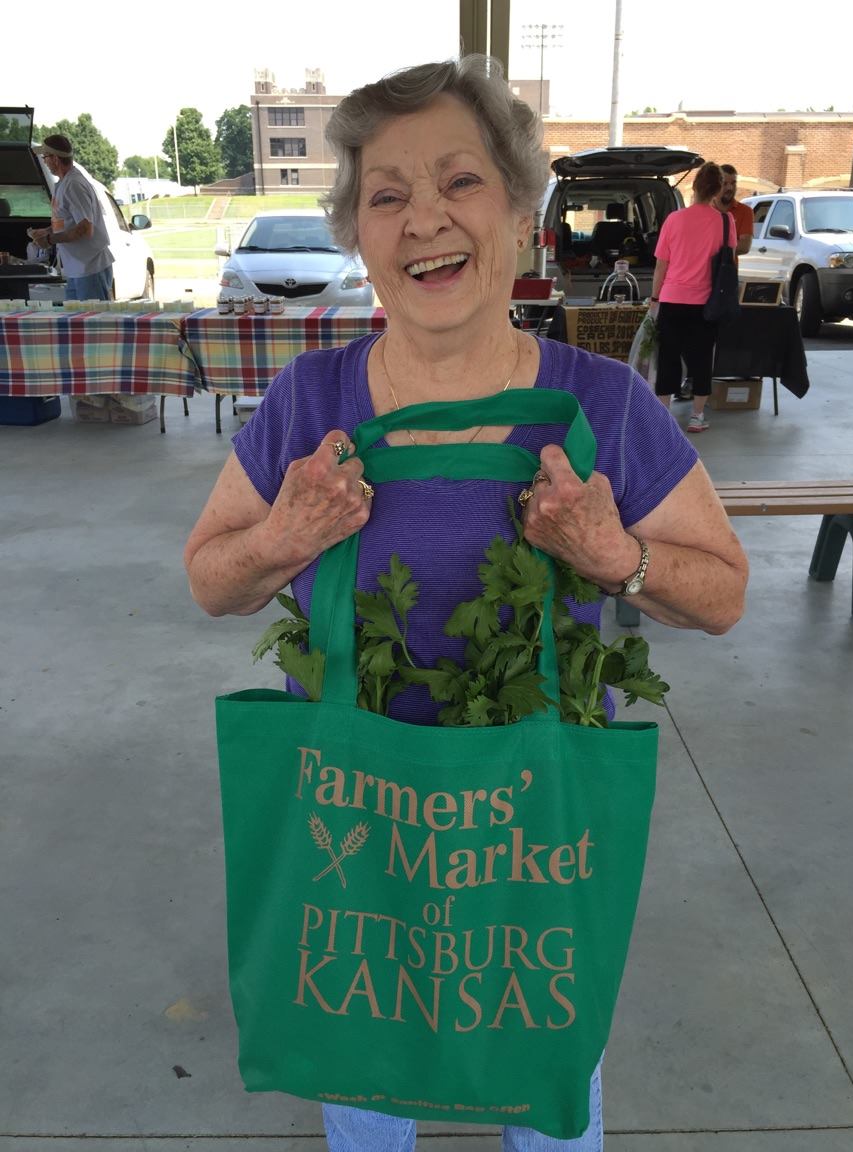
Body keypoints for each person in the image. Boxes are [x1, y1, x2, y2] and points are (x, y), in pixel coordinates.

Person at [184, 56, 748, 1152]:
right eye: (386, 196)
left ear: (522, 208)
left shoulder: (601, 405)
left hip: (530, 837)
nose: (424, 220)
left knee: (545, 1091)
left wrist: (612, 552)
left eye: (460, 182)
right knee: (365, 1086)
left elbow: (721, 594)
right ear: (357, 231)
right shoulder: (311, 401)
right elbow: (210, 578)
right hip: (352, 829)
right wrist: (284, 537)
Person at [649, 161, 738, 433]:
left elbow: (661, 265)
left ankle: (663, 414)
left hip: (672, 299)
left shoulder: (674, 220)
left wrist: (654, 298)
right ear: (716, 190)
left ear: (695, 188)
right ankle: (697, 416)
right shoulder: (726, 221)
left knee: (669, 357)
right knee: (701, 358)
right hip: (706, 303)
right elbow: (730, 260)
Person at [28, 134, 114, 301]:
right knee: (77, 324)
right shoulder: (65, 183)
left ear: (55, 159)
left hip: (89, 267)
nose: (44, 161)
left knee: (91, 323)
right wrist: (46, 231)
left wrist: (50, 239)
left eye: (45, 157)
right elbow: (69, 221)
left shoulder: (74, 185)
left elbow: (85, 228)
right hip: (77, 268)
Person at [715, 165, 754, 256]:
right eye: (725, 183)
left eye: (733, 183)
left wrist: (708, 247)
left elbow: (744, 246)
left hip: (727, 269)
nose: (730, 188)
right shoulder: (705, 209)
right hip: (703, 269)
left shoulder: (745, 211)